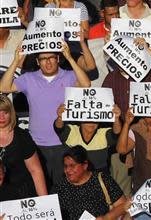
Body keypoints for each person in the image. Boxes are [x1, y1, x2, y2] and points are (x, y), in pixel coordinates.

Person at [0, 42, 91, 185]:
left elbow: (86, 84)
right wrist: (16, 60)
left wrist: (70, 57)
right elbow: (4, 87)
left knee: (65, 187)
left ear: (58, 59)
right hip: (36, 144)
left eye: (51, 57)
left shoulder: (69, 75)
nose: (48, 62)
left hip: (64, 143)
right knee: (43, 187)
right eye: (43, 59)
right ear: (37, 61)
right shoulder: (28, 78)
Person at [102, 37, 151, 196]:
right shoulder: (111, 79)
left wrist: (148, 50)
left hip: (146, 135)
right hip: (122, 136)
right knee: (121, 182)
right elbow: (104, 107)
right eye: (121, 55)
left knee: (150, 174)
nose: (124, 59)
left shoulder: (147, 75)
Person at [52, 146, 130, 220]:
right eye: (65, 166)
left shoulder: (102, 180)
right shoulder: (60, 188)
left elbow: (123, 205)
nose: (67, 170)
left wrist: (106, 218)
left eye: (72, 166)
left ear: (85, 165)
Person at [0, 94, 47, 200]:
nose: (1, 117)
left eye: (5, 112)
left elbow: (36, 171)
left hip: (23, 195)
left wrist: (45, 202)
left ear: (11, 113)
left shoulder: (22, 136)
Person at [54, 104, 122, 172]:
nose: (92, 122)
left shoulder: (103, 133)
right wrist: (60, 117)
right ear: (80, 120)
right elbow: (59, 128)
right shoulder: (72, 131)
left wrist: (116, 118)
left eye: (95, 118)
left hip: (99, 176)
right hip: (74, 176)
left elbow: (116, 134)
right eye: (87, 119)